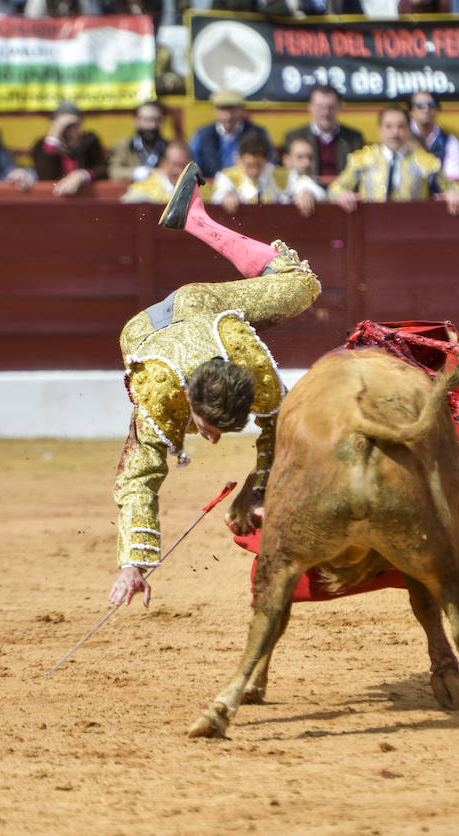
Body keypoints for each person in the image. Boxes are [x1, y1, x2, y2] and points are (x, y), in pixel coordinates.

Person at [107, 160, 321, 607]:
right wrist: (133, 565)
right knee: (145, 455)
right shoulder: (158, 387)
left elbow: (278, 422)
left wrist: (261, 490)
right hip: (146, 335)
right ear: (187, 399)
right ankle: (195, 218)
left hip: (202, 308)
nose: (215, 439)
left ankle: (195, 219)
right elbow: (139, 474)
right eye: (209, 427)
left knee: (300, 284)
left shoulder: (246, 354)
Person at [328, 104, 459, 215]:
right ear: (380, 130)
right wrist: (342, 196)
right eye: (388, 126)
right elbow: (334, 190)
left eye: (401, 127)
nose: (395, 133)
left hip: (412, 228)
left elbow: (453, 188)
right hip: (371, 227)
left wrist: (455, 194)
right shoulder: (362, 159)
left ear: (408, 130)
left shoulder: (424, 161)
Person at [211, 129, 325, 217]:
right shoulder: (227, 177)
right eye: (249, 165)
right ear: (239, 160)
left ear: (266, 160)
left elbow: (305, 183)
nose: (254, 171)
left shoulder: (282, 175)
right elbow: (218, 194)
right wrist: (226, 196)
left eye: (258, 165)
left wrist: (306, 192)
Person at [189, 88, 273, 179]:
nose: (228, 115)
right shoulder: (202, 135)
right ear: (215, 110)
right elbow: (193, 166)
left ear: (242, 109)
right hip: (211, 185)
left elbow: (269, 164)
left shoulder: (258, 133)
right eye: (223, 109)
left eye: (232, 109)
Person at [282, 85, 364, 179]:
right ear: (310, 108)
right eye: (320, 107)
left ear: (340, 107)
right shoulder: (294, 137)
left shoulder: (354, 139)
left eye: (331, 107)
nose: (326, 112)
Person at [32, 102, 108, 196]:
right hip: (54, 197)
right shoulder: (42, 145)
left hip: (85, 197)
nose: (69, 132)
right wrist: (54, 135)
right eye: (65, 127)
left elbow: (104, 169)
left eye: (73, 126)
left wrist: (83, 174)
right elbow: (43, 174)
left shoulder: (90, 142)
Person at [408, 91, 459, 179]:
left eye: (431, 104)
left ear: (437, 109)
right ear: (411, 111)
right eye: (419, 105)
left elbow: (453, 178)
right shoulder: (402, 138)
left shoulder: (449, 142)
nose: (426, 109)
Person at [108, 101, 167, 181]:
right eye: (146, 120)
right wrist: (140, 172)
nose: (151, 126)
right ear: (136, 121)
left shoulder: (169, 148)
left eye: (156, 120)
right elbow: (113, 171)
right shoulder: (122, 147)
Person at [120, 140, 190, 202]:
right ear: (163, 164)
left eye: (184, 166)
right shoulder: (146, 189)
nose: (179, 171)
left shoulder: (191, 190)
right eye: (175, 165)